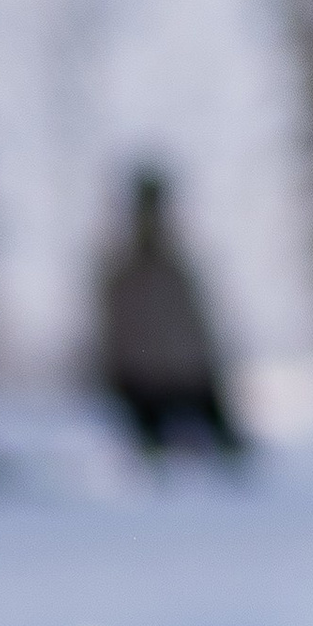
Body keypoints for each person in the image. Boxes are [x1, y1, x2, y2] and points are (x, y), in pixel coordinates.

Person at [94, 165, 248, 463]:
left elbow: (195, 320)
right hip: (146, 381)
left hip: (188, 373)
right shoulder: (126, 268)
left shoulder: (174, 266)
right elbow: (115, 327)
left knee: (226, 456)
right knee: (154, 464)